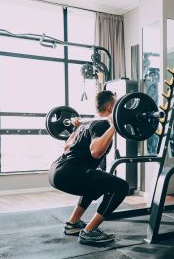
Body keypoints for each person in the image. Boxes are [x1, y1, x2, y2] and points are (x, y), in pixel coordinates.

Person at [48, 90, 129, 245]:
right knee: (121, 187)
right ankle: (89, 231)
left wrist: (75, 129)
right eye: (117, 104)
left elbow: (67, 147)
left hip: (56, 171)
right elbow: (96, 152)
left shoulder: (86, 123)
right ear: (112, 106)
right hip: (69, 172)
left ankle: (73, 224)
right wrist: (114, 126)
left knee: (95, 181)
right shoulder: (103, 124)